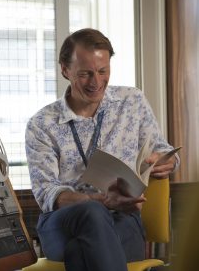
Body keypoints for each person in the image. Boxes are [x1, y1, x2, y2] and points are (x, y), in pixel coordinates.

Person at [25, 28, 179, 271]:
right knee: (93, 213)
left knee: (80, 252)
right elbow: (47, 193)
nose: (96, 82)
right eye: (85, 73)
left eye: (103, 71)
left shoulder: (132, 102)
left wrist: (166, 160)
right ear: (65, 70)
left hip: (123, 220)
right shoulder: (42, 123)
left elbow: (162, 150)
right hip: (65, 220)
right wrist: (101, 200)